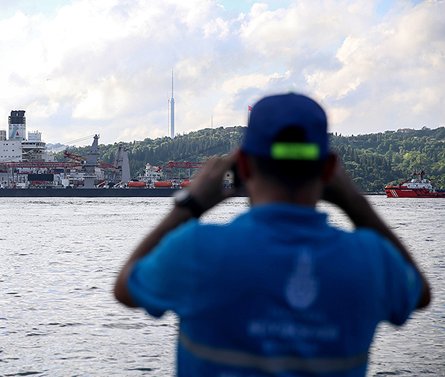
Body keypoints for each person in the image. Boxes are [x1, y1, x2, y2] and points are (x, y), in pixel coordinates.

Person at [114, 93, 431, 376]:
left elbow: (125, 288)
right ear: (329, 169)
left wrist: (190, 204)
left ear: (243, 167)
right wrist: (355, 201)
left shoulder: (197, 249)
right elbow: (420, 295)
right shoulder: (372, 260)